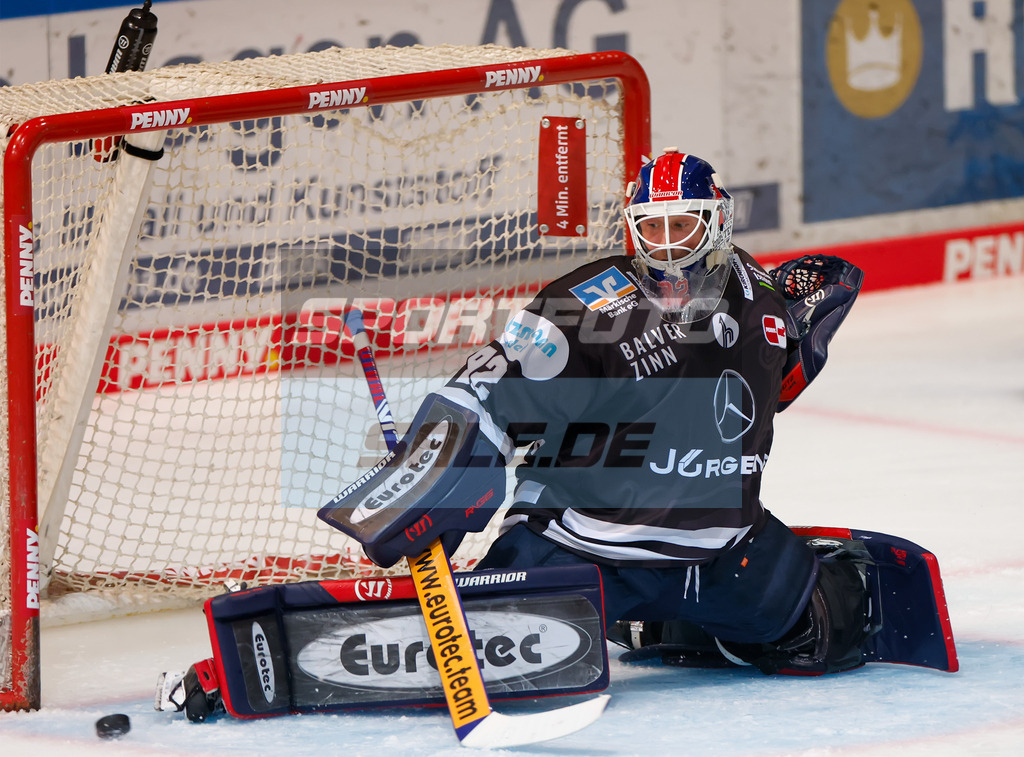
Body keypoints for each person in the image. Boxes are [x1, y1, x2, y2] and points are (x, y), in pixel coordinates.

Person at [328, 148, 869, 676]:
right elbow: (485, 391)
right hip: (585, 545)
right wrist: (434, 484)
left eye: (682, 226)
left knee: (826, 629)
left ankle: (670, 622)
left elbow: (766, 392)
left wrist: (802, 329)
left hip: (720, 553)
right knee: (501, 648)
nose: (667, 246)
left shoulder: (758, 294)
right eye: (652, 229)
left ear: (718, 223)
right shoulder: (586, 303)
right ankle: (645, 615)